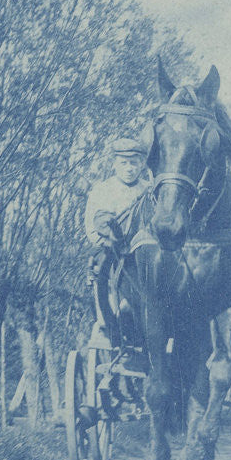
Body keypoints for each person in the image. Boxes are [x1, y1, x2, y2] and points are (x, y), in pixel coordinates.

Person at [84, 137, 150, 365]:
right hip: (114, 250)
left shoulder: (149, 189)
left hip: (145, 252)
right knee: (101, 268)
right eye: (124, 163)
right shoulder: (103, 190)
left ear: (142, 165)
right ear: (114, 163)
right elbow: (95, 224)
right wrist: (109, 236)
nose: (130, 168)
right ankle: (111, 326)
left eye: (134, 163)